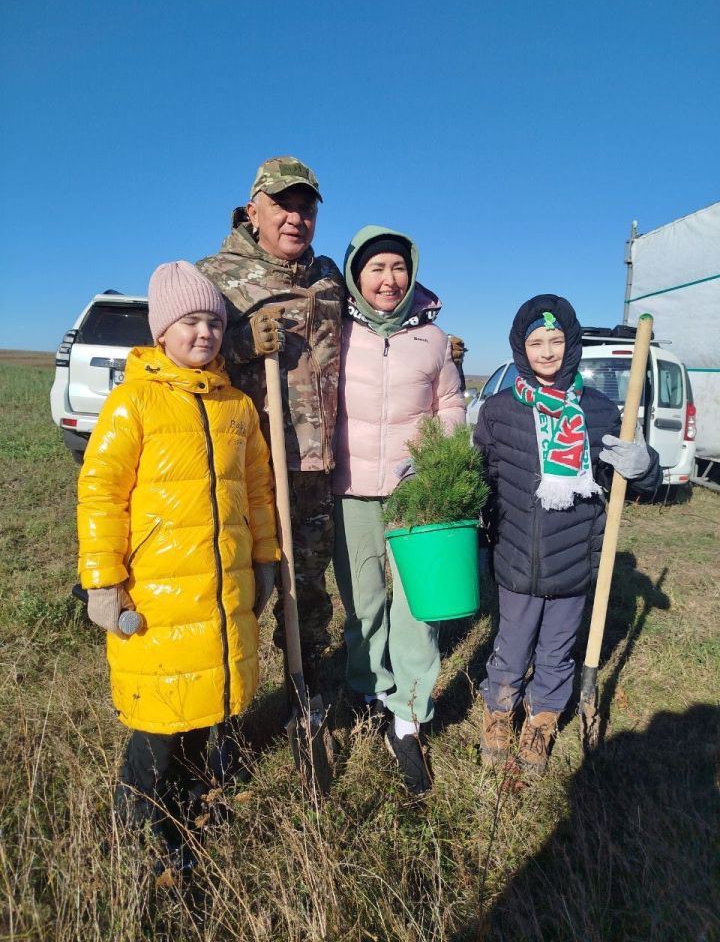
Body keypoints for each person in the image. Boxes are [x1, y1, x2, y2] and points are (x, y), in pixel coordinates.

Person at [77, 261, 279, 870]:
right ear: (161, 332)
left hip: (219, 597)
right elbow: (101, 495)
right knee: (160, 722)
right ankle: (142, 823)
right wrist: (104, 581)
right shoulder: (133, 402)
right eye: (189, 322)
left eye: (212, 324)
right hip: (158, 601)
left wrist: (265, 559)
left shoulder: (237, 407)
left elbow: (259, 492)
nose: (204, 335)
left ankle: (191, 804)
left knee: (208, 709)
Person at [473, 295, 661, 781]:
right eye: (536, 342)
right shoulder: (499, 410)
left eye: (556, 340)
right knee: (511, 643)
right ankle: (498, 712)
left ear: (571, 344)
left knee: (557, 649)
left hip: (576, 557)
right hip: (515, 554)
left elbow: (634, 477)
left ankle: (541, 719)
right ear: (521, 347)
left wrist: (645, 467)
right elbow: (482, 479)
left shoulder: (600, 411)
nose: (547, 351)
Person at [197, 156, 344, 687]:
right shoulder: (215, 277)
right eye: (283, 205)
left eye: (306, 208)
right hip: (248, 469)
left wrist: (437, 343)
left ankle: (304, 687)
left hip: (314, 467)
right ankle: (222, 699)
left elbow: (385, 302)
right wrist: (238, 342)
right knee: (238, 584)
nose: (295, 218)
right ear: (252, 211)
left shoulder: (330, 278)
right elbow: (181, 355)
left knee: (306, 586)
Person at [332, 226, 466, 795]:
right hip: (351, 487)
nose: (389, 281)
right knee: (364, 599)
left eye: (398, 268)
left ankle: (407, 717)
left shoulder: (434, 341)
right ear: (355, 276)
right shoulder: (333, 332)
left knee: (417, 603)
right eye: (376, 269)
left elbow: (453, 404)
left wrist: (433, 453)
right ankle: (366, 690)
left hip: (416, 490)